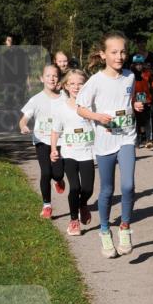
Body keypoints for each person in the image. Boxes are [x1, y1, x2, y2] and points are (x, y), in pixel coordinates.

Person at [76, 31, 144, 258]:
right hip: (105, 142)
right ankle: (105, 231)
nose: (119, 56)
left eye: (123, 51)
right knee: (107, 189)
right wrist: (97, 117)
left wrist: (136, 106)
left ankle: (125, 227)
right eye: (114, 52)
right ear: (103, 55)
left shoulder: (130, 77)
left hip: (126, 137)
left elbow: (129, 100)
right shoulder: (95, 81)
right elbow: (80, 108)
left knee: (128, 186)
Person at [49, 69, 95, 236]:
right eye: (72, 83)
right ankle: (74, 220)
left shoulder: (91, 105)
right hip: (69, 153)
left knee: (88, 189)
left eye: (80, 83)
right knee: (75, 187)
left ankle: (83, 204)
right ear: (66, 86)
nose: (77, 87)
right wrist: (53, 149)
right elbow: (55, 131)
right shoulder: (61, 108)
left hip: (88, 153)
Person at [19, 63, 66, 218]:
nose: (51, 79)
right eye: (48, 76)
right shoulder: (36, 99)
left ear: (59, 78)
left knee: (58, 173)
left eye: (55, 76)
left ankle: (59, 180)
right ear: (41, 78)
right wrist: (24, 125)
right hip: (41, 140)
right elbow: (24, 118)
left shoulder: (65, 98)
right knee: (46, 172)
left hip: (60, 141)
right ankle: (47, 205)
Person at [132, 55, 153, 148]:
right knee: (137, 121)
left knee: (148, 121)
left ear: (143, 64)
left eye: (140, 64)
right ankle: (137, 140)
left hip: (146, 100)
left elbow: (152, 82)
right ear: (134, 65)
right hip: (135, 101)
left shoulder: (147, 74)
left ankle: (149, 140)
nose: (139, 66)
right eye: (137, 64)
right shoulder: (130, 75)